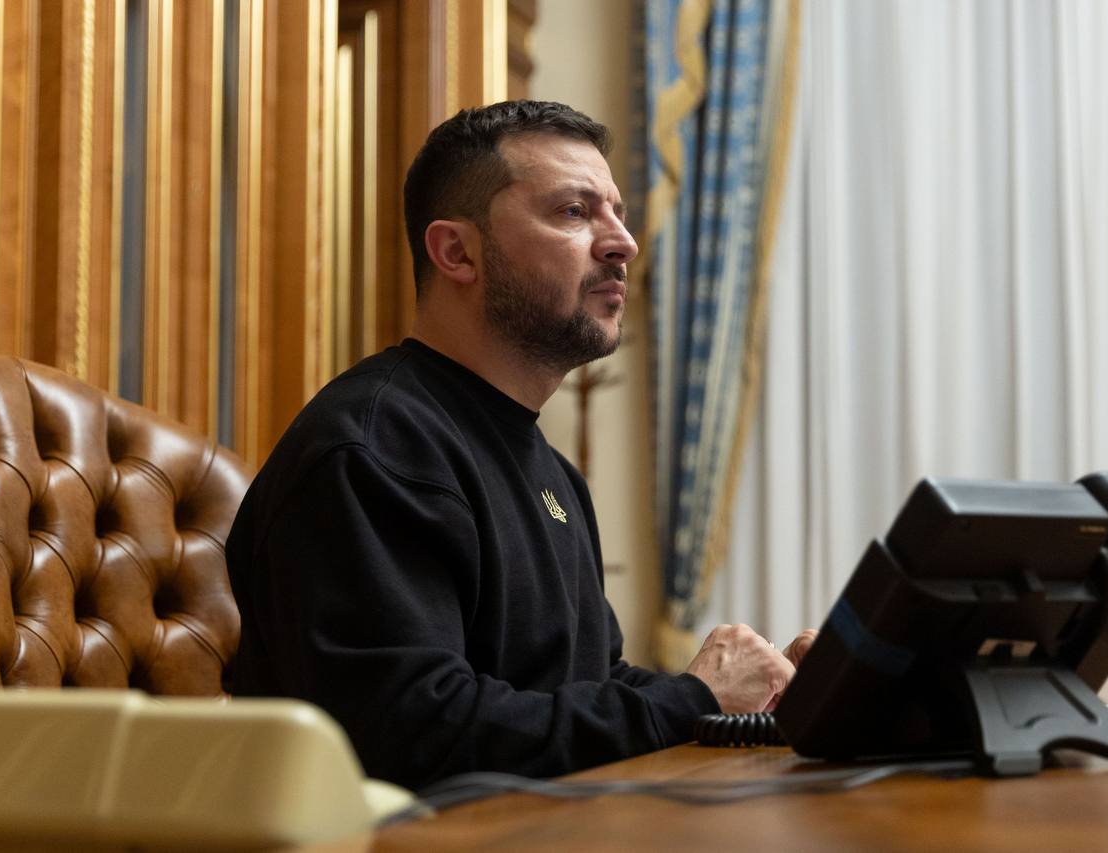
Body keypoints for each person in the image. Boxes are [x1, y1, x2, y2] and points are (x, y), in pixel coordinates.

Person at [226, 100, 815, 791]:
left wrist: (764, 693)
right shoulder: (375, 448)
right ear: (457, 252)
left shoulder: (554, 474)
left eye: (618, 213)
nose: (623, 242)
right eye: (574, 211)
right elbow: (417, 734)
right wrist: (690, 698)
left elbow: (586, 686)